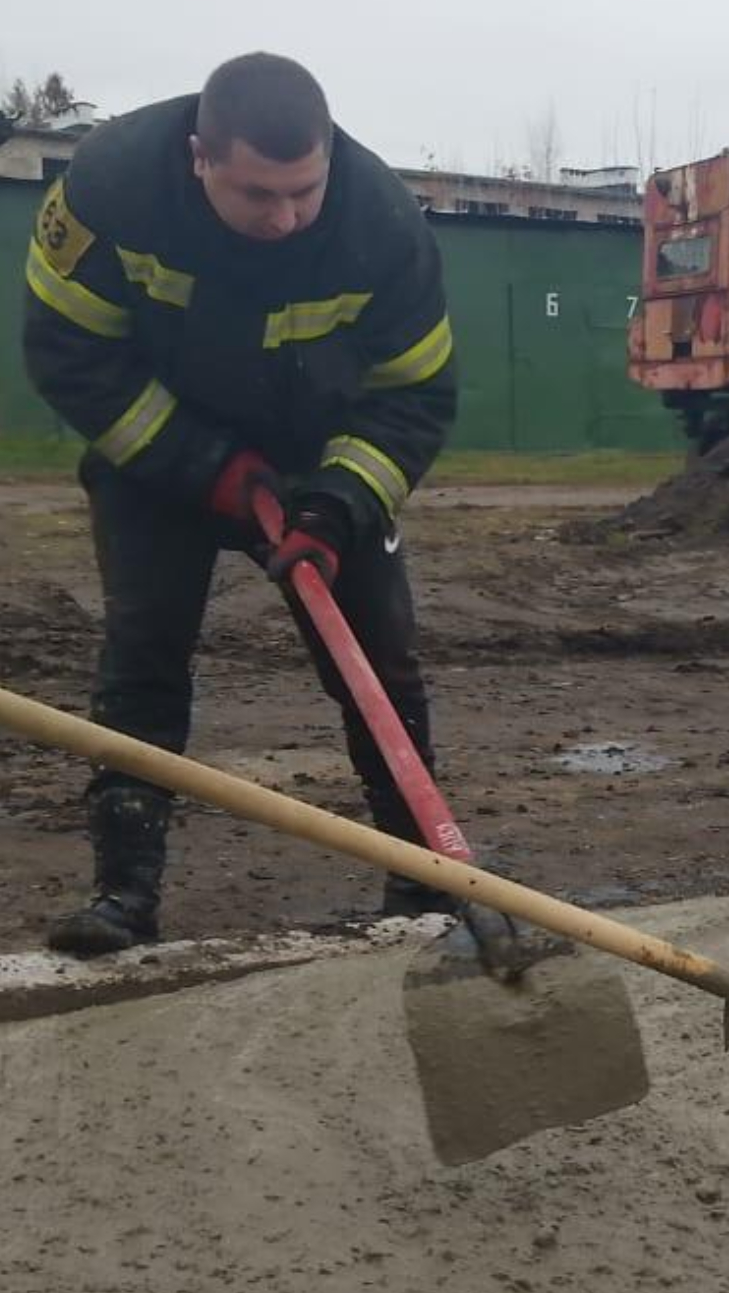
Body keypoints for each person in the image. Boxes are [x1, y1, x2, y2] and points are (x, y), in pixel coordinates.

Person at [24, 52, 457, 953]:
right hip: (157, 454)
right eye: (258, 193)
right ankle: (124, 894)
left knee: (378, 663)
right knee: (143, 651)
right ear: (199, 157)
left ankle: (425, 878)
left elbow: (415, 396)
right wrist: (209, 468)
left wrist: (338, 505)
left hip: (321, 463)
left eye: (303, 190)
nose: (287, 216)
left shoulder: (381, 224)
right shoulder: (109, 192)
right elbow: (74, 359)